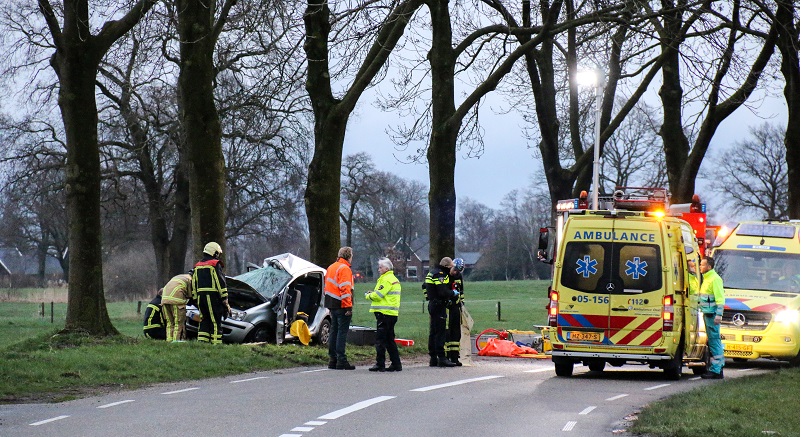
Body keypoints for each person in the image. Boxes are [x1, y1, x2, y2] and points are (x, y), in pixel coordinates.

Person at [365, 257, 402, 372]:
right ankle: (396, 364)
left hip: (384, 314)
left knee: (380, 340)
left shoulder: (386, 279)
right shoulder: (392, 279)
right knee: (390, 339)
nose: (379, 269)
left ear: (386, 268)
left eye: (380, 267)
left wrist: (368, 295)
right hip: (391, 313)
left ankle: (380, 364)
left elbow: (378, 295)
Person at [192, 242, 230, 345]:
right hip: (212, 297)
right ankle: (217, 344)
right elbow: (220, 281)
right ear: (215, 252)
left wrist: (195, 297)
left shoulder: (198, 265)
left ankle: (202, 343)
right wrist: (224, 298)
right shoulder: (215, 264)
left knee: (204, 319)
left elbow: (194, 282)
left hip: (200, 297)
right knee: (215, 320)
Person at [325, 246, 356, 370]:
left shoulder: (331, 267)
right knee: (342, 333)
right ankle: (341, 360)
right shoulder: (345, 269)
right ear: (349, 256)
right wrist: (348, 306)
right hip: (342, 304)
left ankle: (333, 359)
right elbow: (345, 289)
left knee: (334, 331)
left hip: (331, 303)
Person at [425, 257, 459, 367]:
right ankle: (442, 358)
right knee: (440, 332)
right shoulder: (441, 275)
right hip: (439, 305)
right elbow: (442, 291)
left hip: (432, 304)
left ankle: (433, 358)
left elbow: (425, 287)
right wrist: (452, 293)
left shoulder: (431, 273)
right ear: (447, 266)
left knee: (433, 332)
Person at [699, 256, 725, 379]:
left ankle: (716, 369)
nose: (700, 267)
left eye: (702, 265)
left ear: (709, 267)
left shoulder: (714, 279)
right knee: (713, 341)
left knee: (715, 341)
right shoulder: (707, 278)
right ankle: (718, 369)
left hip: (713, 315)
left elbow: (720, 299)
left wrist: (719, 315)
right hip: (708, 314)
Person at [160, 273, 193, 342]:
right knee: (179, 322)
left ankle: (169, 340)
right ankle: (177, 341)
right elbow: (190, 295)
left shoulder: (178, 277)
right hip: (177, 301)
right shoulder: (190, 279)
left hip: (164, 300)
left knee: (169, 322)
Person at [445, 257, 465, 365]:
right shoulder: (446, 276)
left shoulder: (459, 276)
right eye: (455, 269)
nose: (456, 272)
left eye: (458, 271)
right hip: (447, 307)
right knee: (447, 332)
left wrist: (461, 302)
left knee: (456, 332)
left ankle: (454, 357)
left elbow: (461, 291)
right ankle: (446, 356)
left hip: (456, 307)